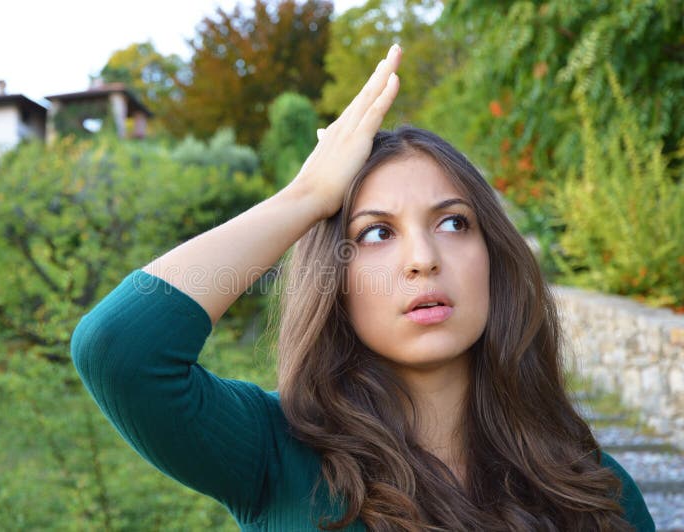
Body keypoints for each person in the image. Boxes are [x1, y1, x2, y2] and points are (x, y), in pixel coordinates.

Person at [70, 44, 654, 531]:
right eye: (376, 234)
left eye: (453, 223)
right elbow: (118, 348)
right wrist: (306, 199)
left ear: (494, 260)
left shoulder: (597, 489)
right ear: (336, 282)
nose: (422, 259)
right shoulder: (274, 455)